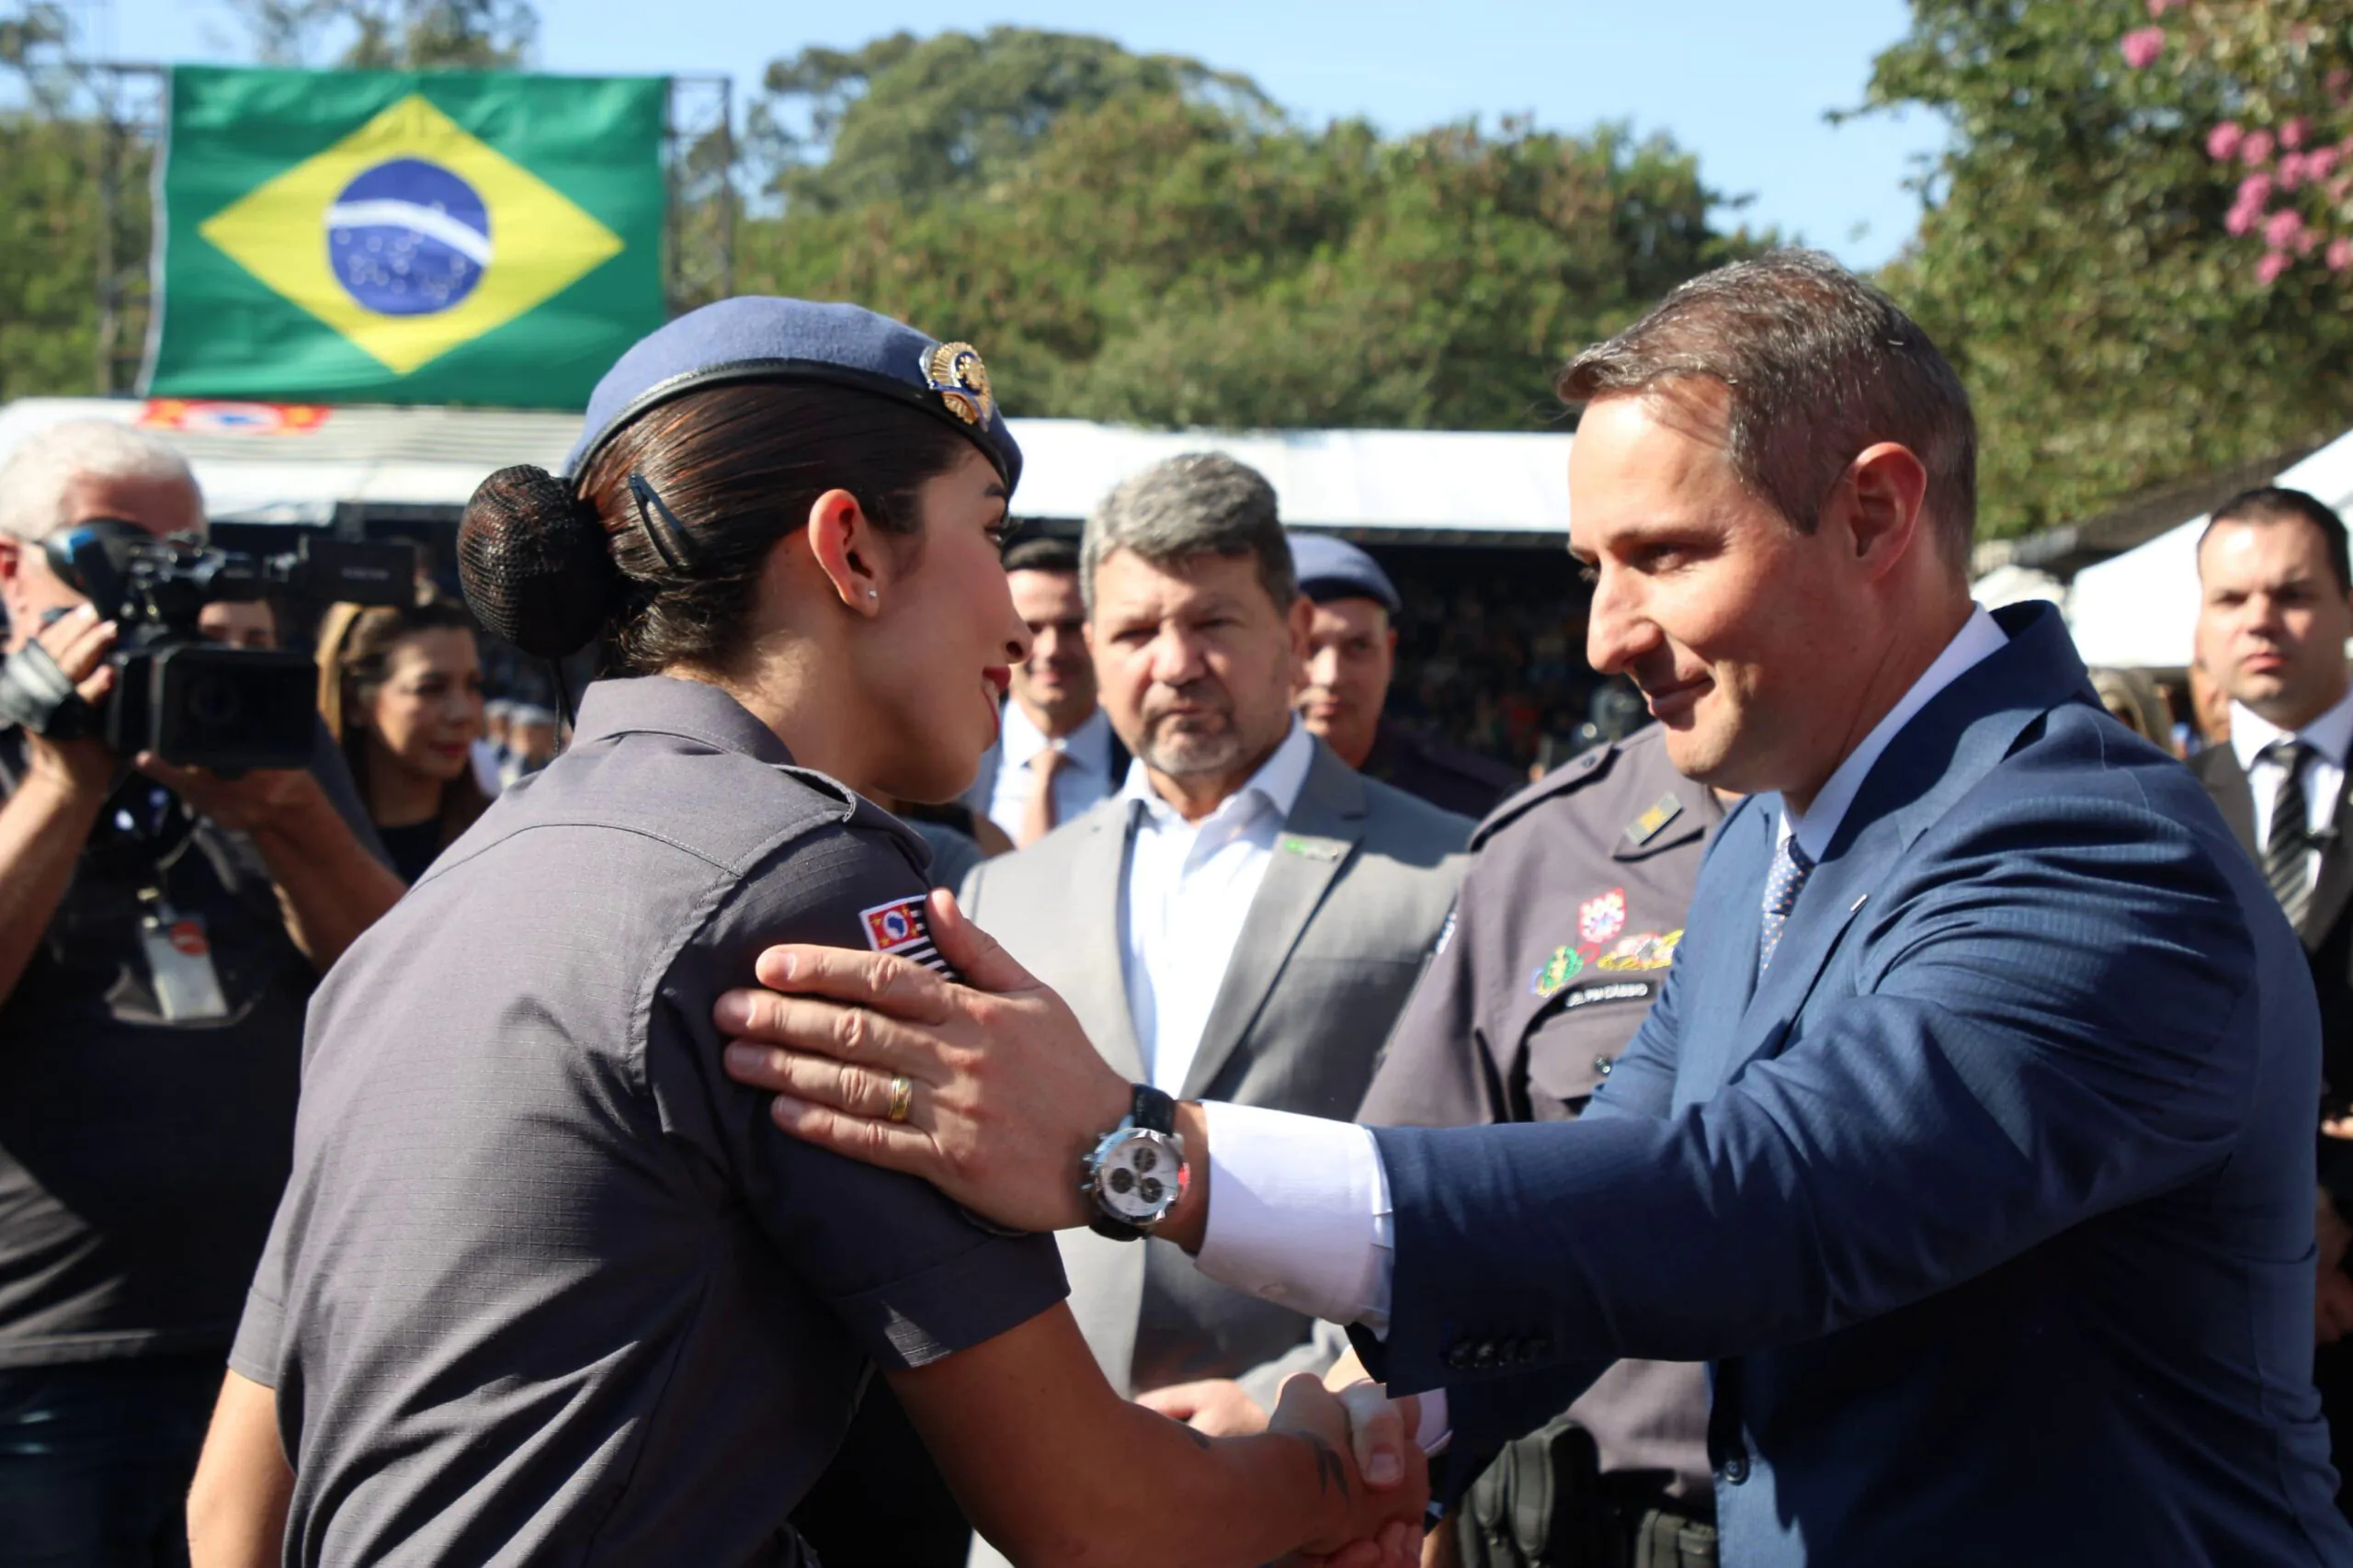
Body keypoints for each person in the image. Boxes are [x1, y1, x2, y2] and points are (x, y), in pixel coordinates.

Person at [713, 252, 2353, 1565]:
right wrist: (1345, 1428)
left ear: (1875, 513)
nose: (1604, 635)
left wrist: (1150, 1154)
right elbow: (1605, 1222)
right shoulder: (1763, 850)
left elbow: (1754, 1208)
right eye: (1591, 567)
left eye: (1662, 554)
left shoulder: (2089, 854)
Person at [184, 300, 1425, 1568]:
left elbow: (229, 1514)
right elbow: (1102, 1514)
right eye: (988, 535)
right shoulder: (805, 886)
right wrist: (1338, 1472)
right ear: (851, 550)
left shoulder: (445, 896)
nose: (1014, 621)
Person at [949, 454, 1468, 1568]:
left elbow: (1465, 1189)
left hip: (1312, 1490)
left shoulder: (1448, 873)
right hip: (1035, 1512)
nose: (1176, 664)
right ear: (1090, 644)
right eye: (1136, 631)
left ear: (1292, 628)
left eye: (1213, 622)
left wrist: (1311, 1397)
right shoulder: (1005, 894)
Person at [0, 419, 402, 1568]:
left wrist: (289, 813)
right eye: (113, 552)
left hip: (274, 1339)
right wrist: (61, 781)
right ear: (8, 566)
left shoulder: (258, 715)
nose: (160, 586)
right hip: (40, 1353)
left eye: (189, 553)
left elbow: (404, 981)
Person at [1357, 722, 1722, 1568]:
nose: (1609, 637)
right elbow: (1414, 1235)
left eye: (1664, 574)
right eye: (1595, 579)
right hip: (1570, 1527)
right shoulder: (1551, 843)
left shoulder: (1995, 826)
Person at [2185, 484, 2353, 1518]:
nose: (2259, 619)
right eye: (2231, 596)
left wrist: (2342, 1208)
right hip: (2214, 1315)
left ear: (2344, 606)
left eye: (2290, 592)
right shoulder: (2140, 809)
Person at [1290, 532, 1520, 818]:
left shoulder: (1477, 807)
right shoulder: (1223, 797)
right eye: (1306, 649)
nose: (1330, 676)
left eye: (1358, 647)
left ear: (1389, 653)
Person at [315, 594, 493, 885]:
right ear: (355, 703)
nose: (463, 713)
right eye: (431, 688)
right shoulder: (306, 840)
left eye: (473, 685)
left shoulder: (501, 838)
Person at [967, 532, 1127, 846]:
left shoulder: (1148, 763)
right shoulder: (949, 761)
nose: (1051, 650)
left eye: (1071, 628)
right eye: (1031, 628)